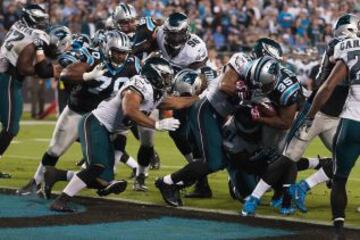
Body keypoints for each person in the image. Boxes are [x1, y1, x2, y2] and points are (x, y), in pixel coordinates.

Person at [49, 57, 198, 212]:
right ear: (154, 74)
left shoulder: (155, 91)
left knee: (103, 180)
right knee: (96, 167)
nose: (168, 80)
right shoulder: (139, 86)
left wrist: (200, 96)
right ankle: (61, 200)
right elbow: (130, 110)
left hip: (109, 131)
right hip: (96, 123)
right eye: (165, 76)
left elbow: (177, 103)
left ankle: (55, 174)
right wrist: (156, 124)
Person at [17, 32, 139, 196]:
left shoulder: (134, 65)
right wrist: (88, 75)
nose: (120, 56)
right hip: (79, 110)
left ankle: (106, 178)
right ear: (107, 49)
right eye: (117, 51)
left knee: (119, 141)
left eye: (124, 52)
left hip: (104, 115)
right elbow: (65, 74)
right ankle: (35, 182)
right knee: (55, 150)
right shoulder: (93, 57)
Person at [284, 14, 360, 213]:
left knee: (339, 160)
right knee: (288, 158)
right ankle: (279, 196)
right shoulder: (340, 45)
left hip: (337, 116)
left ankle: (302, 187)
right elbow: (324, 85)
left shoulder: (346, 47)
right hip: (318, 111)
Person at [0, 4, 61, 178]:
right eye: (40, 20)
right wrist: (47, 71)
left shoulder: (17, 24)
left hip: (5, 76)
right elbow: (24, 67)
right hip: (8, 80)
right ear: (31, 19)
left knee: (10, 125)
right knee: (11, 127)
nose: (44, 23)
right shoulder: (33, 35)